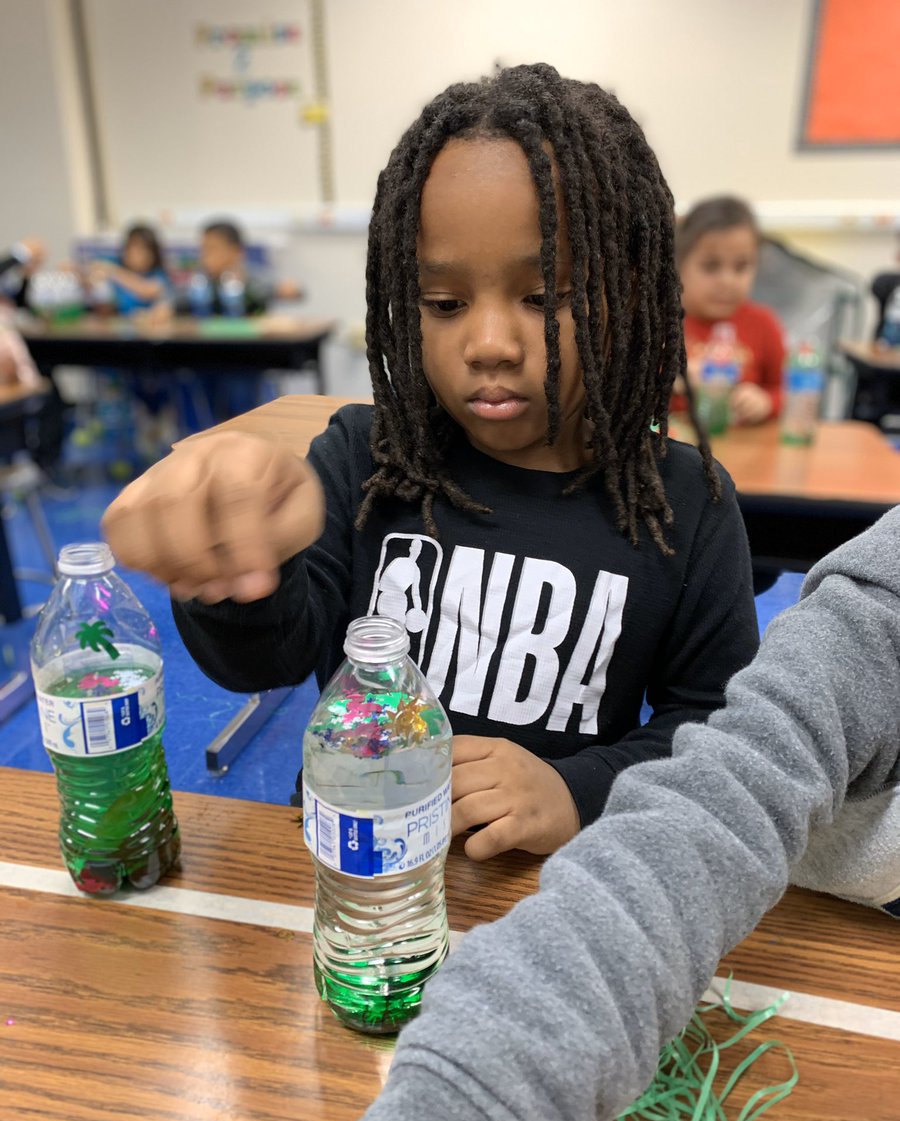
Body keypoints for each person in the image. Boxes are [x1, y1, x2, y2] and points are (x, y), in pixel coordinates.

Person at [103, 63, 760, 861]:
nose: (487, 344)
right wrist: (233, 569)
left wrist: (578, 791)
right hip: (355, 875)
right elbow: (264, 660)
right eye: (443, 305)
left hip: (553, 902)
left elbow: (713, 733)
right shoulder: (367, 459)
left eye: (546, 298)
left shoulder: (685, 504)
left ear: (627, 291)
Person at [299, 502, 900, 1121]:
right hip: (440, 940)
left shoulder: (686, 504)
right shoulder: (870, 627)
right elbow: (731, 781)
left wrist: (576, 791)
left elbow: (701, 718)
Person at [676, 196, 786, 425]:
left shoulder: (764, 324)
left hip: (745, 449)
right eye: (711, 266)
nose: (727, 281)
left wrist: (766, 401)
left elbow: (788, 391)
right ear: (679, 265)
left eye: (741, 267)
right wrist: (674, 380)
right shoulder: (660, 324)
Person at [86, 223, 170, 315]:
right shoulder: (114, 262)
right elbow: (93, 268)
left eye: (143, 249)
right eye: (132, 247)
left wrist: (112, 271)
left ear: (153, 253)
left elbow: (148, 290)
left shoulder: (158, 274)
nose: (135, 254)